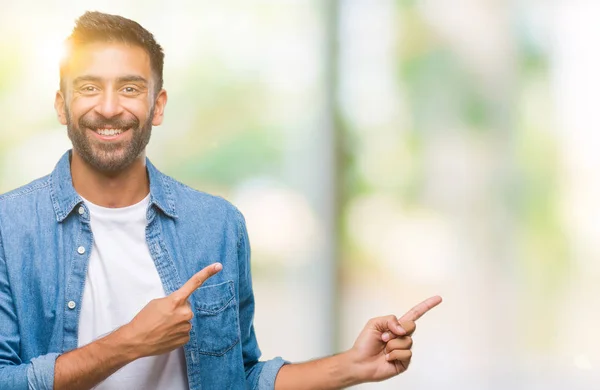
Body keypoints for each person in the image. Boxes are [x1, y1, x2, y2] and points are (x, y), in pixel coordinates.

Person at [0, 11, 442, 390]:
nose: (110, 107)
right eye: (89, 87)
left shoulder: (216, 225)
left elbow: (238, 376)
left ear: (158, 105)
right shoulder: (9, 226)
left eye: (131, 88)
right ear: (62, 105)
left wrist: (350, 366)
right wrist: (131, 340)